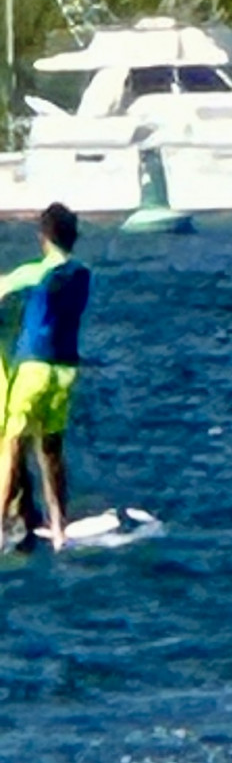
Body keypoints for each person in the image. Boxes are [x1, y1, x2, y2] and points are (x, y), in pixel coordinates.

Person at [0, 204, 91, 548]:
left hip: (33, 367)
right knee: (51, 451)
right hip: (65, 370)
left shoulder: (36, 272)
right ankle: (58, 528)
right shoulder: (83, 274)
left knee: (11, 444)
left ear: (43, 238)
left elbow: (4, 287)